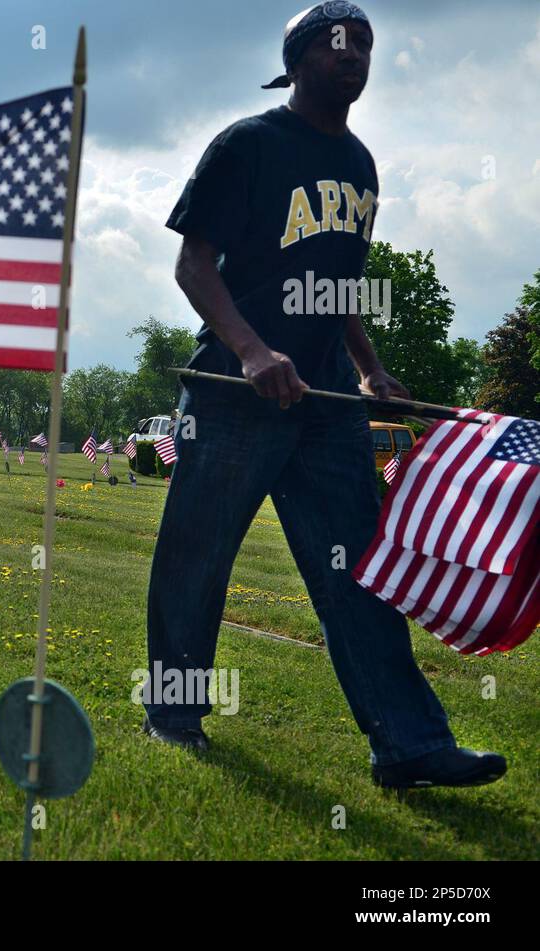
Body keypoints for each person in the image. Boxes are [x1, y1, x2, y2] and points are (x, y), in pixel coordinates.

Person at [144, 2, 505, 789]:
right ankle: (174, 714)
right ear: (299, 55)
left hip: (326, 404)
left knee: (359, 573)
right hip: (235, 395)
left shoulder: (361, 166)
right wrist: (251, 350)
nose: (358, 56)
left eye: (368, 45)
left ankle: (408, 746)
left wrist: (371, 369)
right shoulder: (248, 145)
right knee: (196, 560)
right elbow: (194, 266)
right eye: (342, 41)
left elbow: (336, 288)